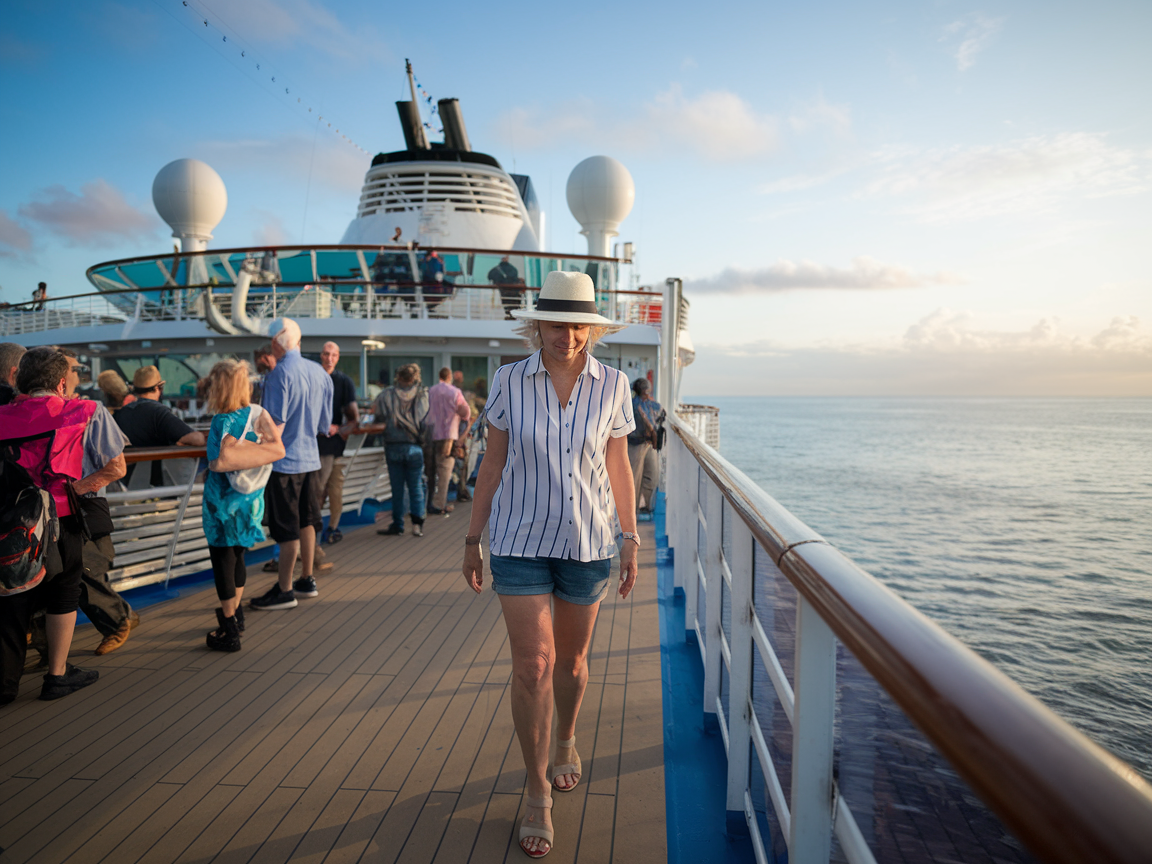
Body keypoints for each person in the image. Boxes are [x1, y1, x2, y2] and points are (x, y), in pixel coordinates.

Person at [461, 271, 639, 858]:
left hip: (589, 542)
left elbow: (619, 466)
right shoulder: (510, 380)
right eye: (557, 323)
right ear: (537, 324)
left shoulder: (613, 385)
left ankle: (565, 738)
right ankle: (537, 789)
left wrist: (631, 536)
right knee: (534, 665)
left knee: (573, 663)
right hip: (518, 539)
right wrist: (471, 537)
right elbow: (492, 464)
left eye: (578, 324)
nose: (568, 335)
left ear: (592, 327)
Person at [0, 347, 123, 704]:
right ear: (60, 382)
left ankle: (6, 685)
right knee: (64, 592)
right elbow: (116, 468)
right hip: (62, 516)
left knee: (11, 598)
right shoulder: (86, 411)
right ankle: (57, 676)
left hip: (11, 520)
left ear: (19, 379)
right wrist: (74, 489)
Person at [249, 318, 333, 610]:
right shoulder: (320, 373)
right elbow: (325, 425)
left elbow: (275, 428)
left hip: (285, 464)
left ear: (276, 343)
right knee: (308, 521)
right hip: (311, 460)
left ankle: (284, 590)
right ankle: (306, 579)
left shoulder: (279, 374)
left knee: (286, 529)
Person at [202, 359, 285, 650]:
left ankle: (229, 630)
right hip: (250, 502)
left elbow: (217, 463)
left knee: (222, 561)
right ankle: (236, 615)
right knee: (238, 557)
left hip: (222, 503)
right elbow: (278, 448)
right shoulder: (260, 414)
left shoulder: (221, 422)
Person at [359, 364, 429, 538]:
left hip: (393, 446)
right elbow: (426, 421)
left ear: (398, 377)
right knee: (416, 488)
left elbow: (377, 417)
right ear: (415, 378)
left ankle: (398, 524)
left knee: (396, 489)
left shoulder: (386, 395)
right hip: (414, 447)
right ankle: (417, 525)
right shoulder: (422, 395)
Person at [114, 365, 206, 487]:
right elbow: (197, 439)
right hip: (157, 488)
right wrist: (179, 442)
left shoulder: (121, 414)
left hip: (126, 485)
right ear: (159, 388)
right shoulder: (158, 413)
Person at [317, 341, 359, 545]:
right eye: (326, 354)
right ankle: (315, 534)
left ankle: (331, 528)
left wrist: (338, 429)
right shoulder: (313, 377)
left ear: (338, 357)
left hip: (334, 447)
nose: (329, 358)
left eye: (333, 355)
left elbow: (354, 420)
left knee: (332, 491)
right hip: (316, 446)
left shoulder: (343, 381)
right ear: (321, 355)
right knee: (319, 491)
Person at [427, 367, 471, 515]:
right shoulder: (455, 392)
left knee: (430, 472)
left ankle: (427, 504)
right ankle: (439, 504)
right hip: (448, 437)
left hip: (430, 434)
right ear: (449, 377)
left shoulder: (431, 391)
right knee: (444, 472)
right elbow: (466, 413)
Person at [627, 377, 664, 514]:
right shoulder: (633, 404)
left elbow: (660, 414)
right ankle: (632, 512)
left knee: (651, 475)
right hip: (634, 445)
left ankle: (644, 506)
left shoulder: (649, 404)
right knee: (633, 479)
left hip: (648, 444)